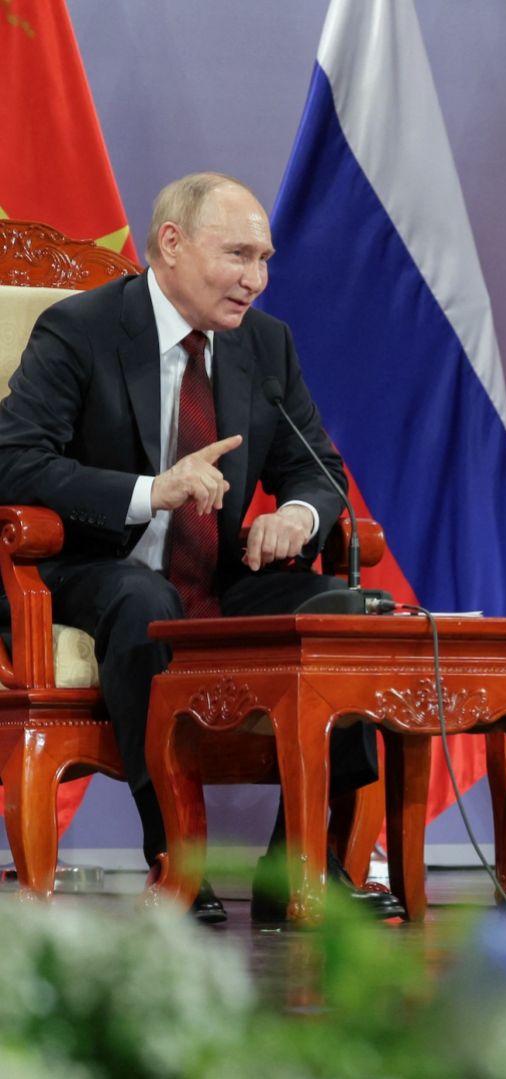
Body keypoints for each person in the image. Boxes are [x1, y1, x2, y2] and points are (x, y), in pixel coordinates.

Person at [0, 172, 403, 922]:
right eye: (240, 256)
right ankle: (177, 861)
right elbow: (14, 460)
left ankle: (299, 868)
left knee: (350, 613)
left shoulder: (265, 345)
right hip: (89, 570)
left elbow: (321, 471)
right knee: (143, 599)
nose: (257, 279)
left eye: (265, 259)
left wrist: (301, 520)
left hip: (217, 573)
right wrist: (151, 491)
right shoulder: (79, 328)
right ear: (171, 245)